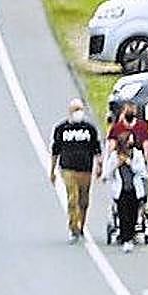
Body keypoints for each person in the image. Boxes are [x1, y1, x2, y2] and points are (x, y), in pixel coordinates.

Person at [50, 98, 102, 243]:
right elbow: (55, 150)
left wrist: (99, 164)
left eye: (80, 109)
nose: (78, 113)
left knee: (83, 200)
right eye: (75, 110)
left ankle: (82, 225)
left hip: (85, 169)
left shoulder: (89, 129)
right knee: (73, 198)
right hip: (68, 168)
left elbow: (96, 148)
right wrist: (52, 170)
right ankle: (73, 227)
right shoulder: (61, 129)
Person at [106, 133, 148, 253]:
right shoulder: (115, 156)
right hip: (121, 191)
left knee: (133, 214)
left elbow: (142, 172)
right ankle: (126, 238)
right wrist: (117, 165)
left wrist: (131, 164)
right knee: (123, 214)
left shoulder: (137, 155)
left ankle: (131, 234)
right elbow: (108, 173)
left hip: (134, 190)